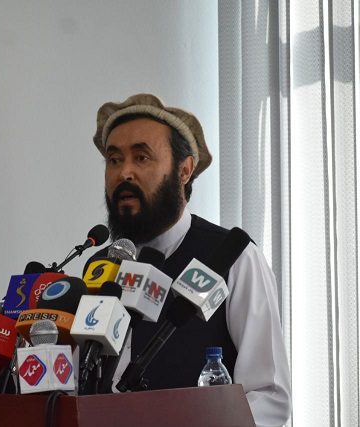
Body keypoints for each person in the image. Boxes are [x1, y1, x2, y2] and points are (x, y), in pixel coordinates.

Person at [87, 94, 291, 426]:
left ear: (184, 170)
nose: (124, 173)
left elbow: (269, 396)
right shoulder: (99, 267)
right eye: (114, 160)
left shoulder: (231, 258)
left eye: (141, 157)